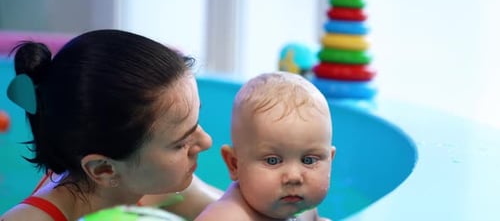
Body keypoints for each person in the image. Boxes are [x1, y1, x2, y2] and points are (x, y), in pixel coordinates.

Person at [1, 29, 223, 221]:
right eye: (181, 143)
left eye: (196, 122)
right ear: (103, 169)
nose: (206, 141)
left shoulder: (152, 186)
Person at [195, 71, 336, 221]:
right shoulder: (226, 218)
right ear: (234, 164)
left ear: (330, 160)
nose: (294, 177)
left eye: (308, 160)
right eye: (272, 160)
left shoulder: (303, 207)